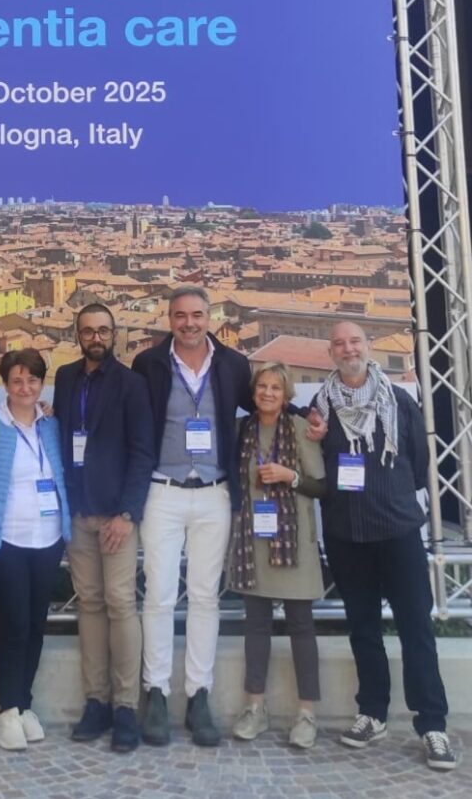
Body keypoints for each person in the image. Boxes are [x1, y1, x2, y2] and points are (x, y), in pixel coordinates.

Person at [314, 321, 456, 771]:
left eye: (355, 341)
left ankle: (432, 723)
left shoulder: (398, 400)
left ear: (368, 346)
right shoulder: (319, 408)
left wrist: (389, 493)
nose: (348, 349)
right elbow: (316, 464)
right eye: (339, 343)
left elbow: (419, 461)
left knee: (416, 629)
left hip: (398, 531)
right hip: (346, 534)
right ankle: (372, 712)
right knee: (363, 628)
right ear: (330, 353)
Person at [131, 285, 252, 747]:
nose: (189, 323)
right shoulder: (148, 363)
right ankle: (156, 692)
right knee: (158, 596)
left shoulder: (233, 364)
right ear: (169, 319)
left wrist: (307, 416)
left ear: (209, 317)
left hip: (215, 493)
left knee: (204, 597)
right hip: (162, 491)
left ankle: (199, 694)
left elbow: (264, 403)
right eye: (180, 315)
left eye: (197, 315)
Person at [54, 303, 155, 752]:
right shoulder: (65, 379)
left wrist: (128, 513)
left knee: (120, 603)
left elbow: (143, 452)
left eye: (103, 331)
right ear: (77, 335)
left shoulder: (132, 384)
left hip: (117, 516)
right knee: (90, 604)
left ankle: (126, 707)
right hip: (79, 512)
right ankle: (96, 701)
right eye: (88, 331)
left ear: (115, 334)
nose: (96, 338)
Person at [0, 348, 71, 751]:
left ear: (42, 383)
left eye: (32, 380)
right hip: (5, 544)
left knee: (36, 626)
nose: (25, 388)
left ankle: (24, 705)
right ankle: (7, 710)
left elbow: (61, 478)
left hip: (47, 542)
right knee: (14, 627)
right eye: (17, 380)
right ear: (5, 385)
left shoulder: (51, 426)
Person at [229, 363, 326, 749]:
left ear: (286, 396)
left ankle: (307, 714)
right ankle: (255, 708)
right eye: (262, 387)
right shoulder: (242, 430)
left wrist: (291, 476)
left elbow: (321, 486)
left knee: (301, 626)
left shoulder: (302, 428)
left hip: (295, 542)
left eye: (275, 388)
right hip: (253, 540)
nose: (267, 393)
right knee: (256, 626)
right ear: (253, 393)